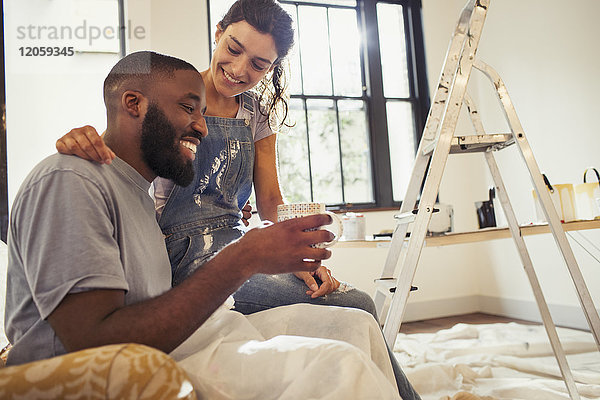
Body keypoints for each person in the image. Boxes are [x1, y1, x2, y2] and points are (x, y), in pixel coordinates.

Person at [6, 51, 420, 399]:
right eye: (189, 108)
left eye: (203, 112)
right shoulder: (72, 180)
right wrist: (243, 258)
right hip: (142, 364)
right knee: (339, 364)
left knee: (355, 325)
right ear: (133, 104)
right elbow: (95, 343)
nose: (203, 127)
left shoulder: (139, 193)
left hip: (193, 336)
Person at [55, 0, 378, 319]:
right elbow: (118, 158)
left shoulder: (257, 113)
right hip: (177, 255)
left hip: (237, 245)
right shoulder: (171, 95)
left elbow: (269, 198)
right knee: (357, 306)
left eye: (258, 64)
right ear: (218, 33)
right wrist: (82, 142)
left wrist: (297, 259)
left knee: (355, 303)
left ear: (272, 68)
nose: (239, 70)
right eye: (234, 49)